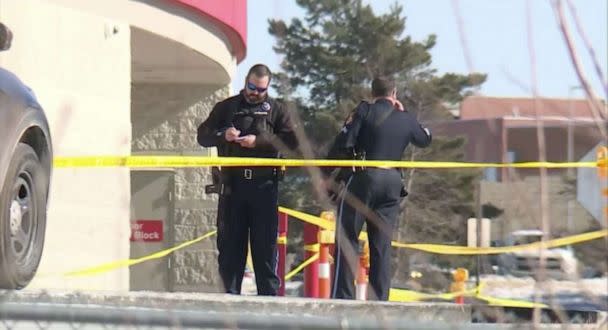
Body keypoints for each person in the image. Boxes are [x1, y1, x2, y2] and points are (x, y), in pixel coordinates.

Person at [325, 76, 432, 301]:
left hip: (364, 178)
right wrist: (403, 114)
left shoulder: (364, 111)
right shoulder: (405, 118)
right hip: (392, 183)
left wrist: (328, 174)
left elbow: (344, 143)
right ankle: (379, 302)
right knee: (381, 246)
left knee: (347, 238)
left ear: (372, 93)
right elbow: (424, 139)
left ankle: (343, 297)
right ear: (394, 94)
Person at [197, 64, 298, 295]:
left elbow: (292, 142)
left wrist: (259, 141)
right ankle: (228, 309)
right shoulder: (227, 107)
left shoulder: (277, 110)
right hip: (233, 186)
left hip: (264, 187)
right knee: (231, 252)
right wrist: (223, 135)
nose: (254, 92)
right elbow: (203, 136)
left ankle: (269, 308)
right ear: (246, 82)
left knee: (265, 251)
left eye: (260, 90)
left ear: (268, 88)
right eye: (251, 87)